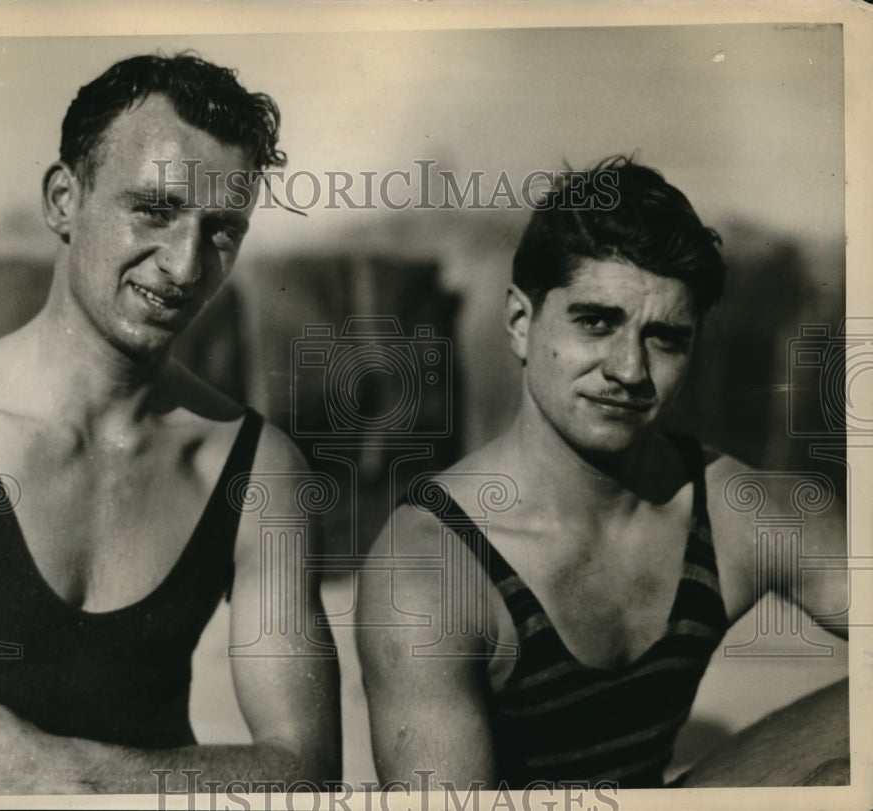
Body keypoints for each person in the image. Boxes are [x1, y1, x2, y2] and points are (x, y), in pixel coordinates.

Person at [0, 54, 341, 795]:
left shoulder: (257, 470)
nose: (184, 263)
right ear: (64, 200)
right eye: (155, 209)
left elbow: (307, 771)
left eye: (221, 228)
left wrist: (57, 769)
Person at [357, 156, 848, 790]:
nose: (629, 370)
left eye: (664, 338)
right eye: (596, 322)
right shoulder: (429, 568)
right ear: (520, 324)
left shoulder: (730, 505)